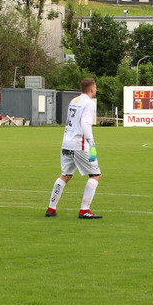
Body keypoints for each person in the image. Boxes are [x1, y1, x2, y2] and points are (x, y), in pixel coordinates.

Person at [46, 77, 103, 219]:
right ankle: (84, 210)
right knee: (96, 175)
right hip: (79, 144)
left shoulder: (74, 100)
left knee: (65, 175)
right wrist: (92, 144)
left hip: (66, 142)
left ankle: (51, 208)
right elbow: (85, 124)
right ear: (92, 88)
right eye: (95, 87)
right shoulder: (89, 103)